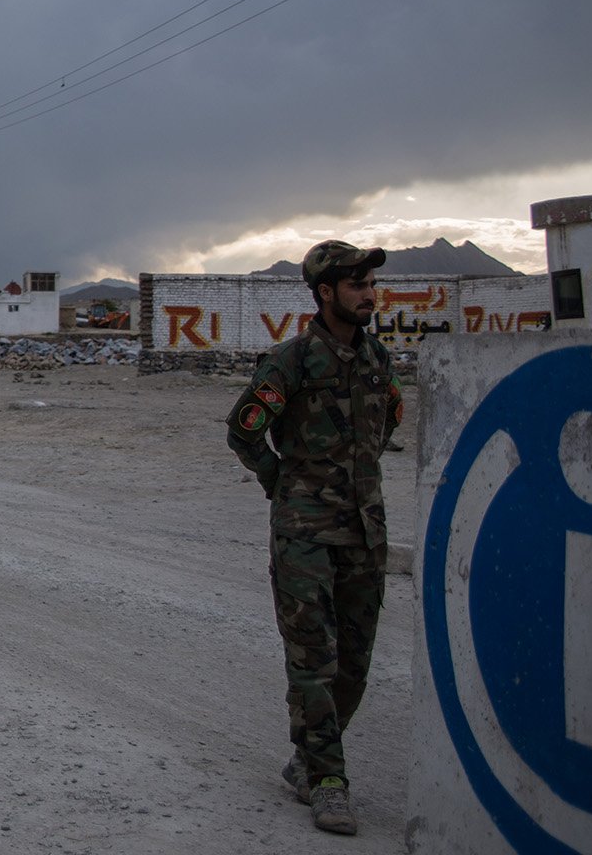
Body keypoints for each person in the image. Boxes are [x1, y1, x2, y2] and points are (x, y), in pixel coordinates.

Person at [225, 240, 402, 837]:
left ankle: (306, 760)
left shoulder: (378, 359)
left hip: (363, 533)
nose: (368, 295)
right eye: (356, 286)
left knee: (354, 663)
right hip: (303, 533)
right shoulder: (292, 360)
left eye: (371, 285)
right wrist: (283, 484)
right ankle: (330, 780)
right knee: (313, 660)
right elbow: (244, 430)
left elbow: (386, 426)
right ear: (326, 293)